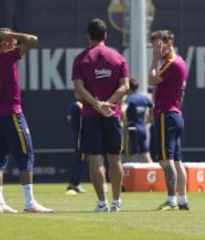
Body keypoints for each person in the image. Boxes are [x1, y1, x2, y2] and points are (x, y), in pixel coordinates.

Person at [0, 27, 53, 213]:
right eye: (11, 40)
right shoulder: (6, 58)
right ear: (5, 42)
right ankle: (30, 202)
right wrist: (10, 35)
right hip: (12, 114)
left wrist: (5, 37)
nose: (15, 43)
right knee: (26, 156)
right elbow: (32, 39)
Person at [72, 18, 129, 212]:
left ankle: (102, 203)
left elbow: (78, 88)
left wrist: (96, 104)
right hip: (111, 116)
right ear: (106, 35)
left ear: (88, 36)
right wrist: (109, 103)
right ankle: (116, 202)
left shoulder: (80, 59)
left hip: (90, 115)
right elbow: (125, 86)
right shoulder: (118, 57)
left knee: (95, 160)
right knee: (115, 159)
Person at [148, 29, 189, 210]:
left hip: (167, 114)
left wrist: (155, 58)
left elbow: (152, 79)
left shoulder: (171, 62)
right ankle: (182, 199)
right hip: (174, 114)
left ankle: (172, 199)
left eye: (158, 45)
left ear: (168, 43)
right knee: (177, 162)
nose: (156, 48)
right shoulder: (180, 62)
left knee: (166, 160)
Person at [121, 78, 153, 163]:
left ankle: (132, 175)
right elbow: (153, 107)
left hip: (132, 128)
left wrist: (124, 122)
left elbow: (122, 110)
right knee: (145, 153)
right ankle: (153, 172)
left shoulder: (129, 98)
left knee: (129, 154)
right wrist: (150, 119)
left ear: (128, 87)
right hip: (143, 128)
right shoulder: (144, 98)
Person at [65, 93, 87, 194]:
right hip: (81, 138)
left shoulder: (74, 105)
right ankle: (74, 184)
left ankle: (75, 184)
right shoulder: (78, 106)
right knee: (81, 160)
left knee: (81, 160)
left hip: (79, 137)